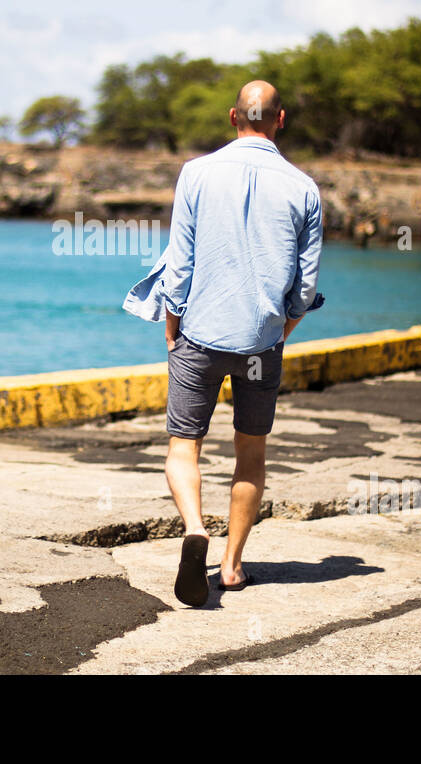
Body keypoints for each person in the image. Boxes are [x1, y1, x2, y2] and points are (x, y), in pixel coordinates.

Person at [123, 80, 324, 607]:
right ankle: (232, 568)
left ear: (234, 116)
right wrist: (284, 327)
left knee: (183, 445)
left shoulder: (197, 172)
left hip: (200, 335)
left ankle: (195, 528)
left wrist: (172, 320)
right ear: (280, 121)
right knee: (250, 452)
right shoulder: (304, 187)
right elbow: (304, 283)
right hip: (261, 342)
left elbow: (181, 259)